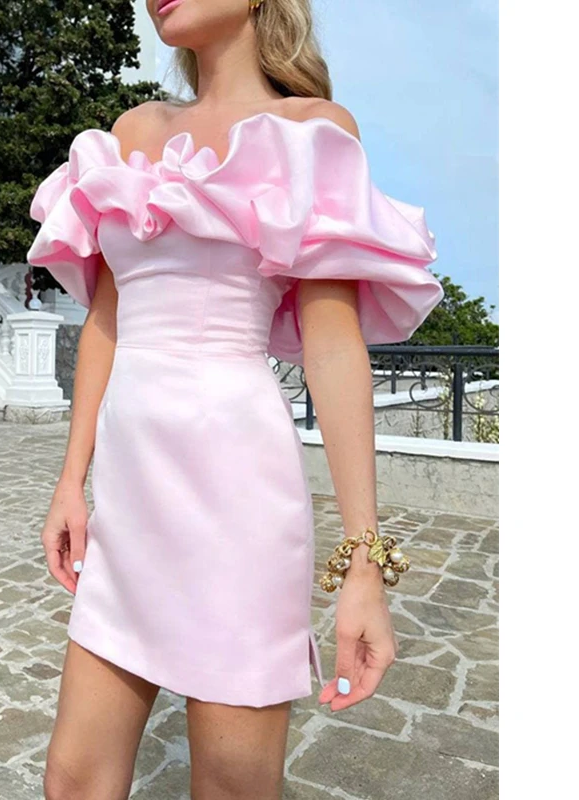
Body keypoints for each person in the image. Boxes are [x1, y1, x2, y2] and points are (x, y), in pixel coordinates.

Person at [27, 1, 444, 798]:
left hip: (237, 499)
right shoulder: (132, 132)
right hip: (129, 498)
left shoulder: (312, 132)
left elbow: (333, 349)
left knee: (231, 786)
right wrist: (70, 480)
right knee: (71, 780)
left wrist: (363, 564)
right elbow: (107, 322)